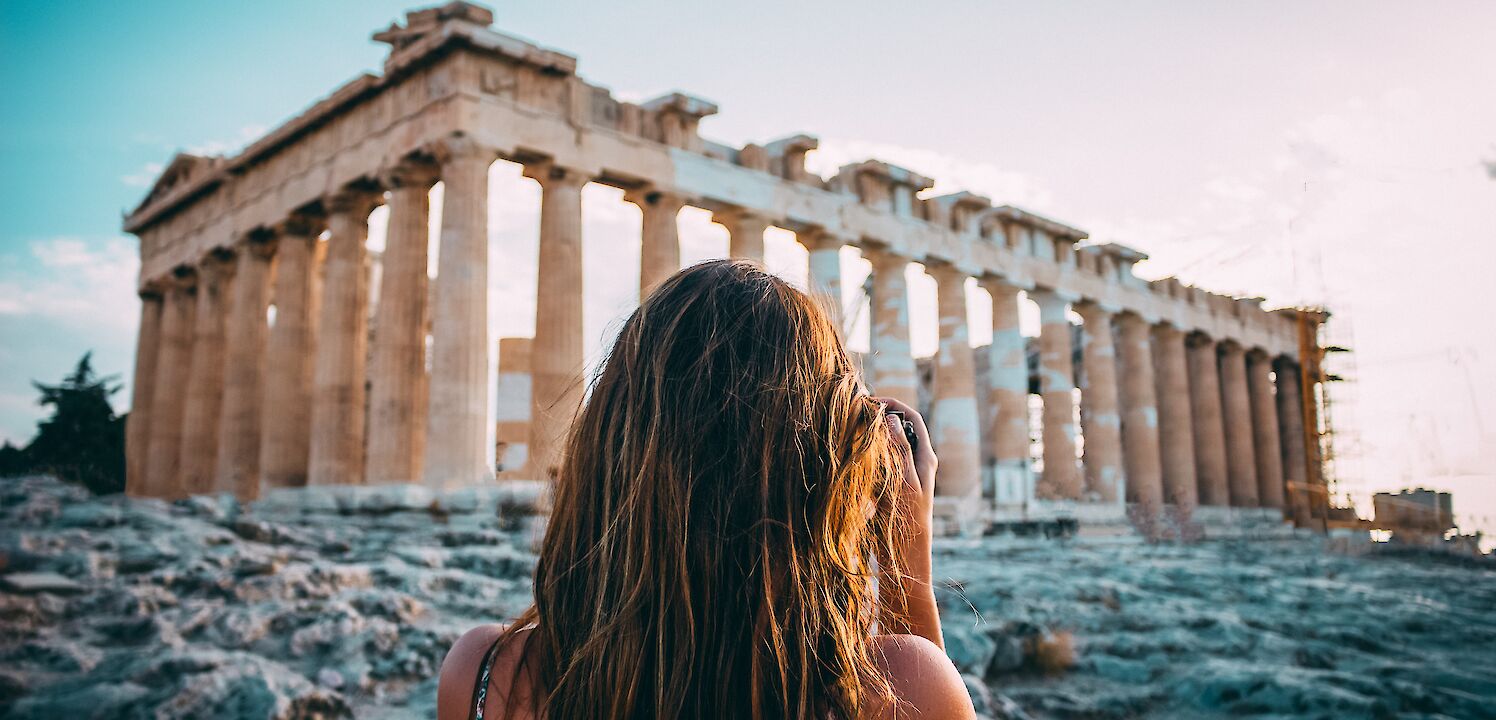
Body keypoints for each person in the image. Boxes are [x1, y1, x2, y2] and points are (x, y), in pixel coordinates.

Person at [437, 259, 975, 719]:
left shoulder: (481, 673)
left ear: (606, 440)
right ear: (825, 464)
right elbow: (916, 690)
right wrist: (906, 550)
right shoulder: (899, 686)